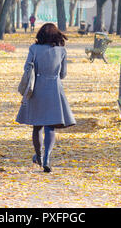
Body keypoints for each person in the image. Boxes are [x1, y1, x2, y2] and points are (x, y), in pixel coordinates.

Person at [16, 23, 76, 173]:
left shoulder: (34, 49)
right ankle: (48, 157)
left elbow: (26, 68)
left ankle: (39, 156)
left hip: (36, 89)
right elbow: (63, 75)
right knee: (50, 126)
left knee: (37, 126)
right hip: (54, 90)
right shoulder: (61, 51)